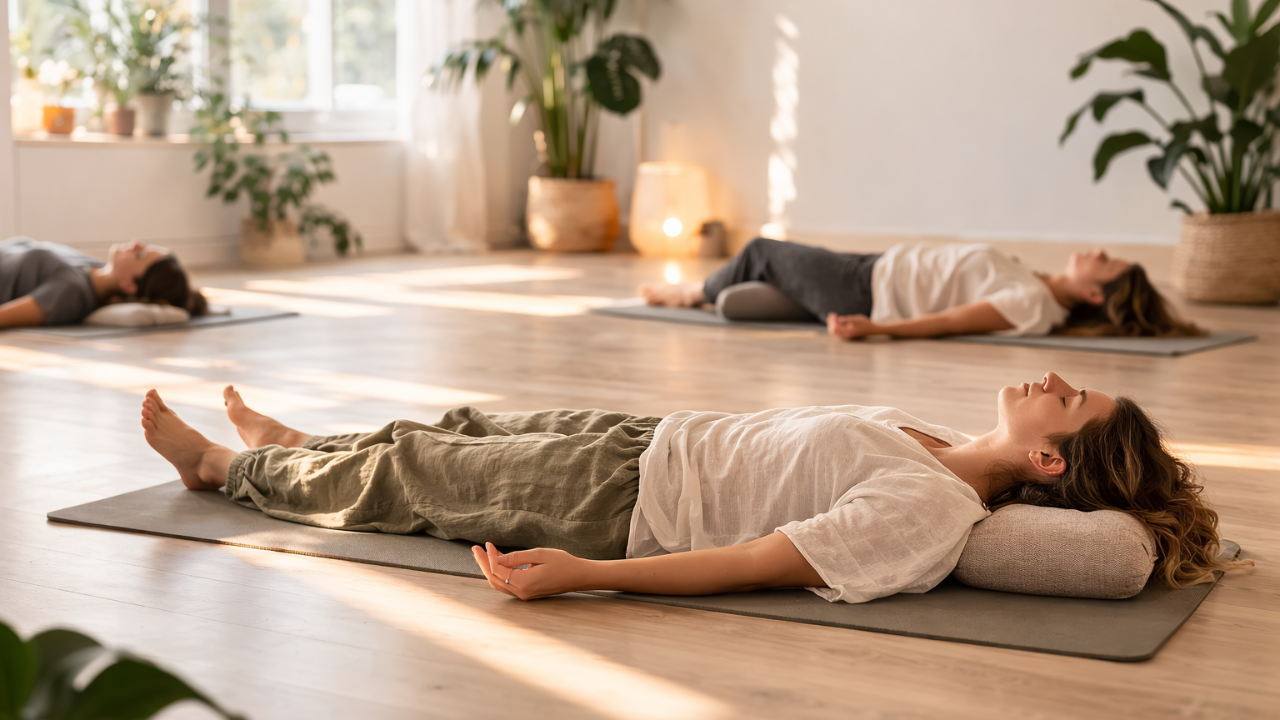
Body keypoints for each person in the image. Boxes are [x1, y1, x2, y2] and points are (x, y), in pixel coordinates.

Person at [139, 371, 1233, 604]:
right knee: (454, 426)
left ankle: (227, 467)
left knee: (414, 474)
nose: (1052, 379)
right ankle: (293, 439)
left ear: (1049, 460)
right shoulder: (938, 446)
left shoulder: (931, 513)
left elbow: (763, 562)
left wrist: (590, 576)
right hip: (646, 435)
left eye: (1071, 400)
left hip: (619, 503)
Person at [640, 238, 1204, 340]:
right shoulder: (1035, 281)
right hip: (875, 267)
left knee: (761, 249)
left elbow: (955, 321)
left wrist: (876, 328)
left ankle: (690, 293)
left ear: (1095, 297)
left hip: (866, 292)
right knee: (768, 276)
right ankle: (743, 295)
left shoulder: (1033, 305)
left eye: (1105, 265)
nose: (1098, 252)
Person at [0, 237, 208, 328]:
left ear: (129, 285)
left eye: (140, 254)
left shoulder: (73, 293)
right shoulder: (94, 267)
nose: (135, 243)